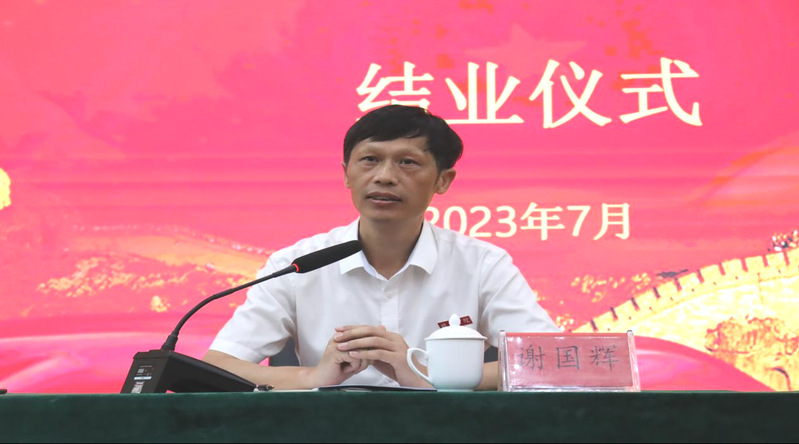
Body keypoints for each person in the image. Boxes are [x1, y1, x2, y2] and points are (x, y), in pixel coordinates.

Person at [203, 105, 560, 390]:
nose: (385, 176)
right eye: (370, 159)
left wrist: (427, 374)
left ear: (443, 180)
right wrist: (314, 377)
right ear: (346, 174)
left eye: (407, 162)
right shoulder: (297, 264)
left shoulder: (481, 264)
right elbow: (218, 365)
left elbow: (549, 360)